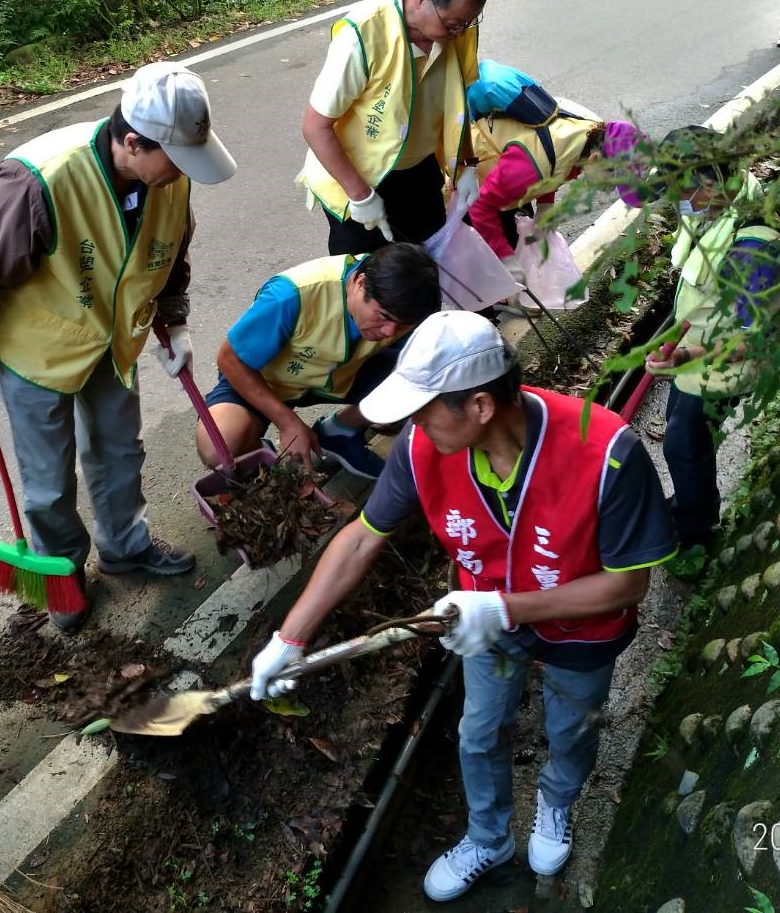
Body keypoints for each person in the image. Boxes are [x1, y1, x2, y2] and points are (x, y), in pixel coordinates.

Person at [248, 311, 675, 899]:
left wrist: (505, 609)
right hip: (485, 623)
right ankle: (489, 836)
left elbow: (627, 585)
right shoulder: (425, 447)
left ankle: (555, 803)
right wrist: (289, 639)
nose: (411, 426)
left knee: (571, 727)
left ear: (478, 406)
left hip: (580, 627)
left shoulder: (607, 453)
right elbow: (361, 538)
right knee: (478, 732)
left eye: (424, 409)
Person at [0, 61, 236, 634]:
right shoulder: (41, 179)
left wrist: (174, 323)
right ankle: (64, 575)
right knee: (49, 479)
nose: (183, 174)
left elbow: (170, 253)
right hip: (40, 349)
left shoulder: (168, 184)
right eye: (176, 159)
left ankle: (125, 545)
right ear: (133, 141)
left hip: (113, 339)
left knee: (119, 450)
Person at [644, 126, 780, 552]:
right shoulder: (722, 209)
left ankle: (696, 532)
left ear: (712, 183)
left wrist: (687, 354)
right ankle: (692, 511)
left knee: (687, 445)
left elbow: (761, 339)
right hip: (699, 350)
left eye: (683, 191)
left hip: (725, 363)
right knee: (680, 436)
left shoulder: (751, 248)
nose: (678, 202)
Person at [297, 0, 490, 255]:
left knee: (428, 269)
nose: (461, 32)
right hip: (360, 176)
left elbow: (456, 100)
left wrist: (467, 164)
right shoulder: (362, 34)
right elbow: (315, 127)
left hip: (418, 168)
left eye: (468, 21)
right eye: (453, 23)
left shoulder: (458, 28)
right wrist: (360, 195)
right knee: (370, 284)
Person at [197, 242, 441, 480]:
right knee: (218, 447)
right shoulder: (291, 295)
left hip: (342, 375)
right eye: (383, 317)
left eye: (401, 325)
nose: (389, 331)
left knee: (433, 385)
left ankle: (340, 432)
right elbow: (230, 360)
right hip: (267, 380)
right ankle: (263, 459)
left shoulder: (404, 304)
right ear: (360, 283)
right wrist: (287, 422)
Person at [464, 61, 645, 278]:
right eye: (612, 181)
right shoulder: (525, 171)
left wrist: (545, 206)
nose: (608, 189)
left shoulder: (591, 135)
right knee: (484, 254)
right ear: (596, 158)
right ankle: (486, 309)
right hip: (476, 161)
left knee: (518, 236)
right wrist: (506, 260)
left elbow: (556, 161)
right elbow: (481, 208)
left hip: (513, 162)